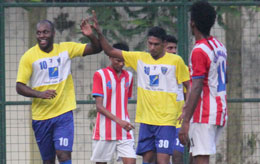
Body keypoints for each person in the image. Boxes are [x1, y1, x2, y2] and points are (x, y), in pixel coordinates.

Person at [90, 10, 190, 164]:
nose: (152, 47)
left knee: (163, 160)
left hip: (166, 121)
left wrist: (186, 110)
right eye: (150, 43)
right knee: (147, 159)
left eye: (156, 44)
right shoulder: (140, 58)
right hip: (146, 121)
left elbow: (188, 86)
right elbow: (110, 50)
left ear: (164, 44)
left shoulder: (175, 61)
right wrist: (99, 33)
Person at [16, 19, 101, 164]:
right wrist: (39, 94)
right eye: (39, 33)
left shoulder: (65, 50)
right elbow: (19, 86)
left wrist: (91, 35)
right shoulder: (29, 56)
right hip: (41, 117)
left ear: (53, 34)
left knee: (63, 155)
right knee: (48, 161)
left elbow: (96, 48)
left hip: (63, 114)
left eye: (45, 32)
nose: (42, 36)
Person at [179, 1, 228, 164]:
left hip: (204, 113)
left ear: (192, 22)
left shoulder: (199, 50)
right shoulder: (219, 46)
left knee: (201, 157)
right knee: (195, 154)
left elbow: (197, 86)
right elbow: (224, 79)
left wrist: (186, 120)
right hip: (220, 109)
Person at [91, 42, 136, 164]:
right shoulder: (100, 75)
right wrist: (119, 121)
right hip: (104, 131)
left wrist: (122, 121)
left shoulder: (130, 76)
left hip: (124, 130)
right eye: (118, 60)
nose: (121, 64)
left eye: (123, 61)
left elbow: (123, 101)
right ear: (110, 56)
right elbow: (99, 107)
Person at [165, 34, 186, 164]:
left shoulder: (182, 68)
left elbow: (188, 92)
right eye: (170, 48)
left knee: (177, 154)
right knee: (160, 157)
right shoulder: (156, 69)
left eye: (175, 48)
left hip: (179, 120)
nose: (173, 51)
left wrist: (186, 111)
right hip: (162, 120)